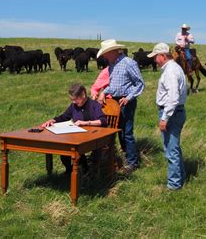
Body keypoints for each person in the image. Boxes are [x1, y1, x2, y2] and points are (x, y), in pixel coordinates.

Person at [97, 39, 145, 173]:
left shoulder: (129, 63)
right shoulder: (112, 65)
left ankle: (132, 163)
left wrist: (129, 98)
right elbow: (114, 86)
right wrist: (103, 92)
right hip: (115, 101)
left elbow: (140, 83)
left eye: (106, 53)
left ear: (113, 52)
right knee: (118, 131)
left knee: (127, 132)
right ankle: (125, 157)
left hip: (126, 101)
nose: (104, 56)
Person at [41, 83, 107, 173]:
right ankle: (71, 170)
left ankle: (84, 169)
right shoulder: (74, 106)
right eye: (72, 100)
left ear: (83, 94)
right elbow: (64, 117)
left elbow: (103, 121)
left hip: (93, 137)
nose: (74, 102)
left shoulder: (94, 105)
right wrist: (52, 120)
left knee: (76, 148)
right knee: (65, 149)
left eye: (75, 99)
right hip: (78, 137)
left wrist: (86, 123)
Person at [147, 43, 187, 190]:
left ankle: (174, 184)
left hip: (172, 112)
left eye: (156, 57)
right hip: (176, 112)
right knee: (174, 147)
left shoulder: (170, 71)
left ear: (162, 56)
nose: (154, 61)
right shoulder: (174, 68)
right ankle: (180, 176)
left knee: (171, 149)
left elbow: (173, 97)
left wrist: (164, 117)